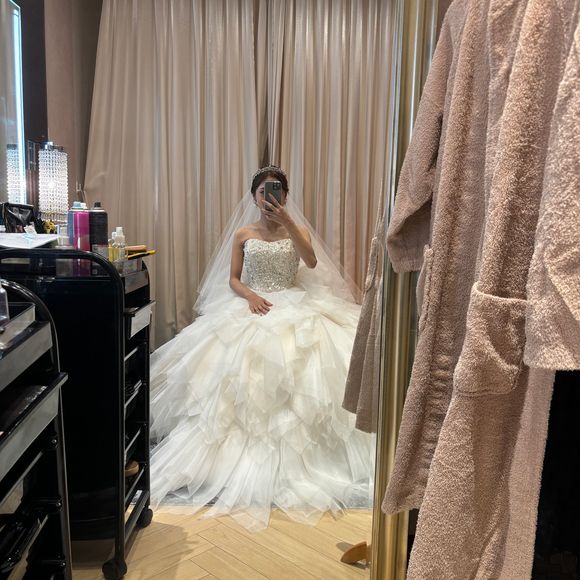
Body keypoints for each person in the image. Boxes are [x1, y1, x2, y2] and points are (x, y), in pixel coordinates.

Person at [149, 165, 373, 531]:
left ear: (285, 196)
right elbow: (233, 279)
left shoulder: (295, 230)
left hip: (295, 301)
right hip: (254, 302)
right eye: (264, 191)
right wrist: (251, 296)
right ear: (254, 197)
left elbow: (311, 261)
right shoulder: (244, 233)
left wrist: (288, 221)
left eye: (277, 191)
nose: (270, 197)